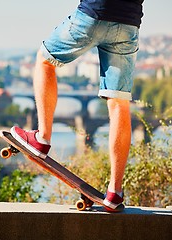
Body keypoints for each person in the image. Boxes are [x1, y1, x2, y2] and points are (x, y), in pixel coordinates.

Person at [11, 0, 144, 212]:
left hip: (94, 13)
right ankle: (115, 192)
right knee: (119, 101)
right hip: (129, 22)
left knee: (45, 60)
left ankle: (42, 139)